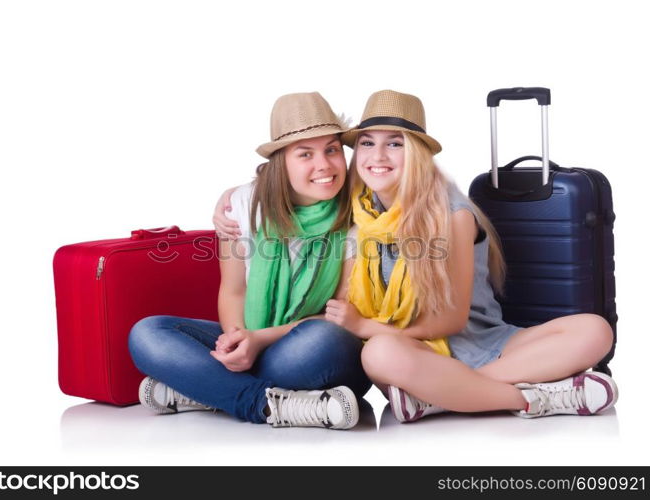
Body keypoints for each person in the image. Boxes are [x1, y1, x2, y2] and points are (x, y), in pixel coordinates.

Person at [324, 89, 618, 422]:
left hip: (488, 344)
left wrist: (365, 325)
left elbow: (451, 321)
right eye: (367, 143)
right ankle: (535, 397)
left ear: (418, 152)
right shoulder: (359, 215)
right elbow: (346, 305)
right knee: (377, 355)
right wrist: (358, 324)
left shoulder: (452, 213)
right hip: (417, 352)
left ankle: (438, 397)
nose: (377, 156)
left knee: (596, 331)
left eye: (395, 143)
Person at [128, 92, 371, 430]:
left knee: (321, 342)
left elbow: (338, 315)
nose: (324, 165)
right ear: (281, 160)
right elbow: (234, 291)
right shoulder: (243, 205)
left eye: (331, 149)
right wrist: (237, 341)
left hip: (312, 349)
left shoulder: (358, 215)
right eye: (305, 153)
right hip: (255, 340)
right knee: (148, 333)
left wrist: (259, 342)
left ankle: (205, 391)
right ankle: (272, 405)